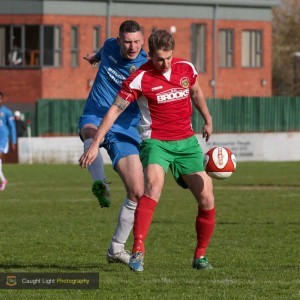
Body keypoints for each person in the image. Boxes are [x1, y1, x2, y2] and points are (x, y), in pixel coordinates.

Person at [79, 29, 216, 272]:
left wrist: (207, 119)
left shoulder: (186, 68)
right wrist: (94, 144)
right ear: (150, 55)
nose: (165, 64)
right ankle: (138, 251)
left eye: (169, 58)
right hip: (156, 142)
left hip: (187, 143)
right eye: (159, 59)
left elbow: (196, 92)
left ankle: (200, 256)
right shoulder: (139, 77)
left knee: (207, 199)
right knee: (151, 187)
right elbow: (114, 110)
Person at [78, 20, 148, 265]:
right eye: (127, 41)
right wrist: (94, 58)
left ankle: (116, 248)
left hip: (125, 129)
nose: (132, 47)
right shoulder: (109, 46)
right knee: (89, 132)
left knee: (137, 192)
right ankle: (101, 184)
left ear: (143, 40)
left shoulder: (146, 67)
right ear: (118, 41)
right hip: (96, 115)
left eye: (137, 41)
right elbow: (101, 53)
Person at [0, 92, 17, 191]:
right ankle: (3, 180)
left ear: (2, 99)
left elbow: (12, 127)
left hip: (2, 139)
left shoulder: (6, 112)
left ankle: (3, 180)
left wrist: (13, 141)